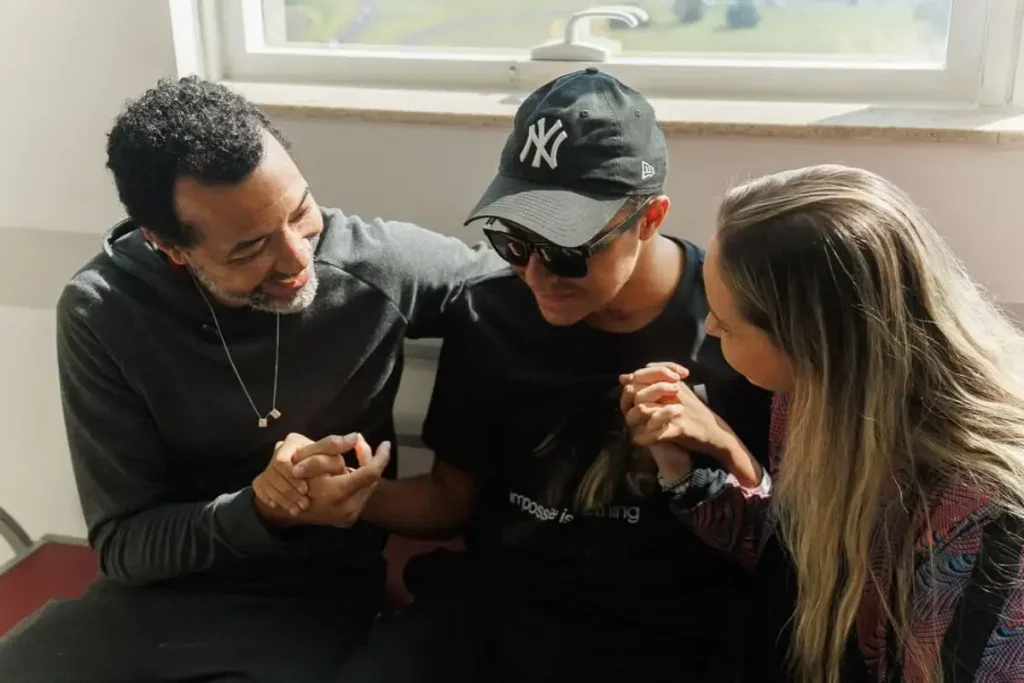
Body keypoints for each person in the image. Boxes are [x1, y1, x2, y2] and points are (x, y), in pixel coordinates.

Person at [0, 76, 502, 683]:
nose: (296, 260)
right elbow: (123, 546)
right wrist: (263, 508)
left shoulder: (377, 267)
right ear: (168, 246)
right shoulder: (103, 312)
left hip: (310, 599)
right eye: (249, 249)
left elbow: (530, 289)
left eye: (300, 212)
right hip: (152, 601)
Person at [279, 68, 774, 682]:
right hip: (498, 613)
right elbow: (449, 503)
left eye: (568, 250)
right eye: (514, 242)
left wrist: (727, 449)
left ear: (648, 219)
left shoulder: (731, 322)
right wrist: (343, 496)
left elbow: (792, 544)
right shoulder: (489, 314)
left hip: (669, 633)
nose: (537, 275)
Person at [621, 164, 1024, 682]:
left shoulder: (985, 525)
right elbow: (803, 555)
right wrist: (695, 466)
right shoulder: (811, 396)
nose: (709, 326)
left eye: (728, 322)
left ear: (815, 343)